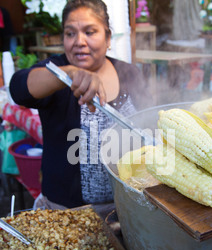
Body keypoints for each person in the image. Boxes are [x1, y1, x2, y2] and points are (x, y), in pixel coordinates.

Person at [10, 0, 151, 210]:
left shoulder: (129, 73)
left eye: (90, 31)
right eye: (70, 33)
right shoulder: (55, 72)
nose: (79, 41)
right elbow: (18, 87)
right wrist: (68, 74)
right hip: (68, 213)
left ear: (108, 37)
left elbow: (148, 125)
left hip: (126, 207)